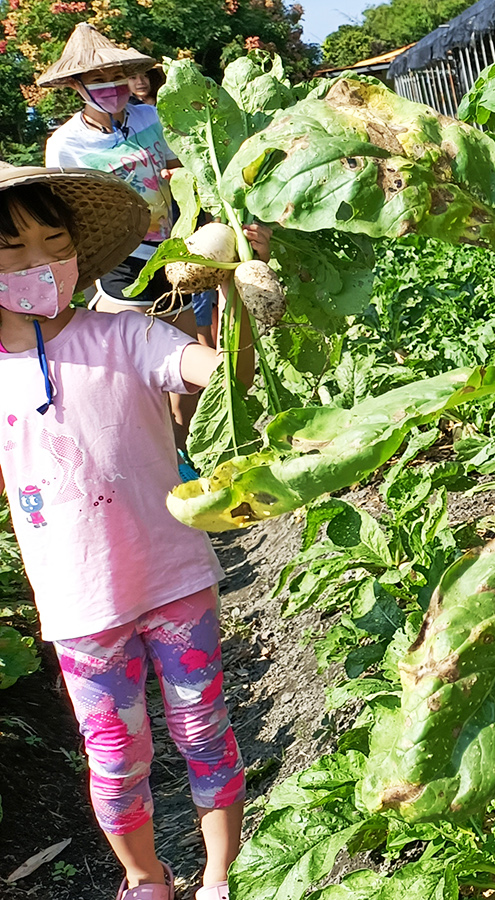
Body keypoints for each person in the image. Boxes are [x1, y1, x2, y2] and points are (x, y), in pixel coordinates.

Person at [1, 164, 259, 900]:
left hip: (174, 578)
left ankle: (218, 876)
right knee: (115, 754)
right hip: (80, 603)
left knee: (203, 727)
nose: (38, 264)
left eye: (53, 243)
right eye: (13, 251)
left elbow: (216, 370)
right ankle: (145, 877)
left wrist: (236, 294)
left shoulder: (127, 336)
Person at [36, 26, 210, 471]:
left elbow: (179, 165)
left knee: (186, 369)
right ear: (77, 86)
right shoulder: (66, 145)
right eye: (98, 80)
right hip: (122, 263)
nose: (111, 88)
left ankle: (186, 452)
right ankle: (158, 462)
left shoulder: (151, 118)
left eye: (117, 77)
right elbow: (67, 210)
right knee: (138, 374)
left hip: (173, 256)